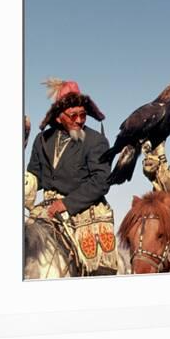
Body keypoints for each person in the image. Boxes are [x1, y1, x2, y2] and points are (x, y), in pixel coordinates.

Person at [26, 78, 118, 275]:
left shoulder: (96, 141)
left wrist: (67, 203)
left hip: (84, 208)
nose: (79, 120)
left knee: (99, 269)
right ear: (59, 117)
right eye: (73, 115)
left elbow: (101, 181)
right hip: (47, 208)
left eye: (83, 115)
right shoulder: (42, 140)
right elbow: (34, 175)